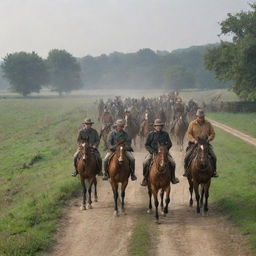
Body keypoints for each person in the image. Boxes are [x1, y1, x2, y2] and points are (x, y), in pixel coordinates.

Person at [141, 119, 179, 186]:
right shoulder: (151, 134)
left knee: (173, 163)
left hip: (163, 153)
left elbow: (170, 143)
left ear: (161, 126)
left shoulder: (165, 134)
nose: (158, 127)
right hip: (153, 153)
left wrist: (165, 150)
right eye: (157, 126)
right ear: (154, 127)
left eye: (160, 126)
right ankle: (145, 178)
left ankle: (173, 178)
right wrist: (152, 151)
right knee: (145, 162)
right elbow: (146, 145)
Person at [183, 109, 218, 177]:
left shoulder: (208, 124)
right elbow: (189, 134)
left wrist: (209, 139)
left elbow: (213, 133)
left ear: (204, 117)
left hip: (205, 144)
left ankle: (214, 171)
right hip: (194, 144)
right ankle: (186, 171)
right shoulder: (192, 124)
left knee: (214, 157)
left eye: (202, 117)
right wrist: (194, 140)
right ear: (197, 116)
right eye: (199, 117)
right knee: (187, 157)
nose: (201, 118)